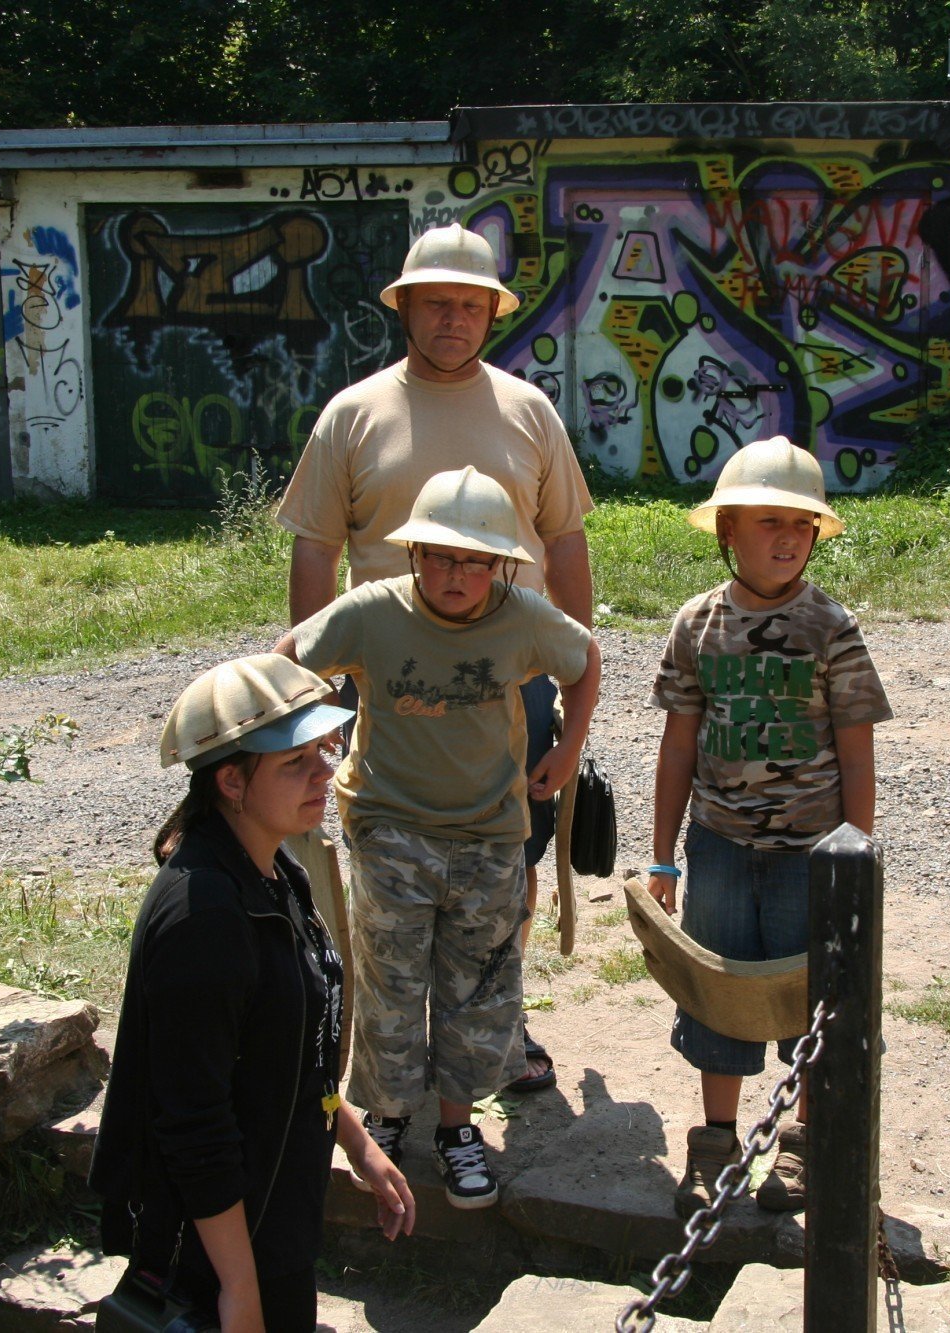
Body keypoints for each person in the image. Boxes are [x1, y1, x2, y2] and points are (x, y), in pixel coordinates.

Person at [277, 223, 594, 1094]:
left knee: (507, 868)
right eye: (436, 302)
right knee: (393, 873)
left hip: (513, 683)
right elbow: (314, 551)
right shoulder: (353, 413)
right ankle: (393, 1049)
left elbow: (564, 540)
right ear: (405, 307)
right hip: (389, 682)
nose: (453, 318)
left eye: (470, 303)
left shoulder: (529, 411)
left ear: (492, 312)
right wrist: (315, 691)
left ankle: (499, 1027)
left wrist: (568, 693)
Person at [277, 467, 600, 1208]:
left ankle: (458, 1130)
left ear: (503, 565)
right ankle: (388, 1119)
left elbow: (585, 661)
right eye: (441, 556)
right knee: (391, 982)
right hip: (391, 827)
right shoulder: (371, 612)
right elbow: (288, 657)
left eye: (477, 560)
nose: (458, 574)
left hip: (490, 832)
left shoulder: (522, 617)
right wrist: (307, 745)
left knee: (478, 988)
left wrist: (569, 746)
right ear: (414, 553)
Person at [91, 655, 415, 1332]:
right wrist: (239, 1289)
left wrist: (354, 1139)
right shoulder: (202, 916)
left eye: (322, 750)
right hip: (212, 1260)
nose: (325, 771)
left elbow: (295, 1046)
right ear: (231, 780)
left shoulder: (272, 869)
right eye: (295, 762)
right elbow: (193, 1123)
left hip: (272, 1224)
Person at [646, 436, 891, 1218]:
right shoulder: (696, 625)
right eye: (765, 522)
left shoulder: (831, 627)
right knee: (717, 997)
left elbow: (857, 752)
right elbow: (678, 742)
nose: (786, 538)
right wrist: (664, 858)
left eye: (801, 522)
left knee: (814, 1007)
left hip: (810, 858)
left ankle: (802, 1149)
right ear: (726, 531)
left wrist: (854, 860)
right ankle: (715, 1142)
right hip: (717, 849)